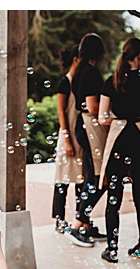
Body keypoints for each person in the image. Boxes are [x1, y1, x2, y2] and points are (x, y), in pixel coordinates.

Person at [96, 38, 140, 263]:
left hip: (120, 140)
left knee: (113, 197)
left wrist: (120, 117)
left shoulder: (111, 81)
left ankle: (112, 249)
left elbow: (102, 118)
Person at [69, 32, 110, 247]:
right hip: (91, 126)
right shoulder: (91, 73)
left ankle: (84, 224)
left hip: (81, 126)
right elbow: (93, 107)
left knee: (91, 178)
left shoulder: (78, 72)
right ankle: (78, 224)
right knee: (99, 177)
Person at [52, 45, 85, 233]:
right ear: (75, 60)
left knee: (81, 179)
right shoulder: (65, 83)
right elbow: (61, 112)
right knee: (62, 181)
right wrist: (66, 139)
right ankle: (59, 220)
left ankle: (80, 219)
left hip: (79, 137)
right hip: (67, 136)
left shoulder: (80, 82)